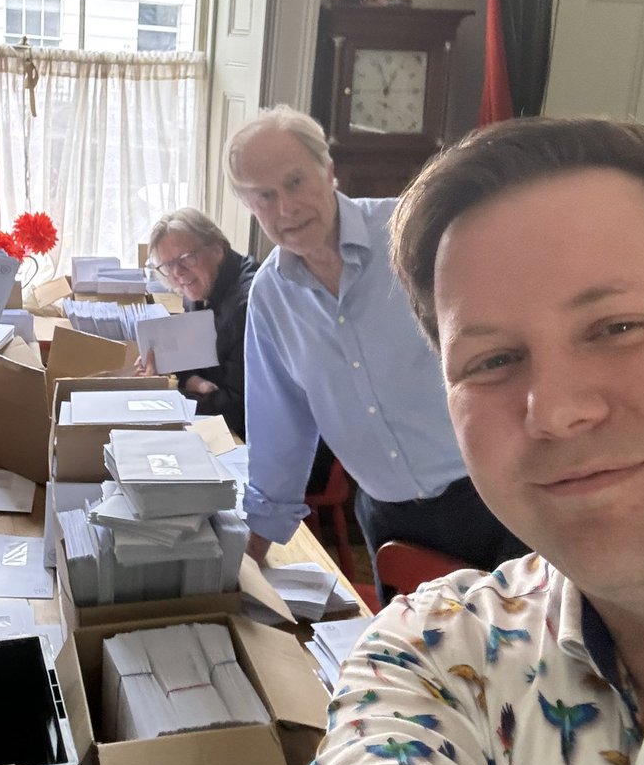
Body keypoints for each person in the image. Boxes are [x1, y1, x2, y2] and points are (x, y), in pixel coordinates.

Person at [276, 115, 644, 765]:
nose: (558, 412)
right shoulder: (436, 654)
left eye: (619, 327)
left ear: (329, 169)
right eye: (491, 361)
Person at [224, 105, 525, 598]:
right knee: (417, 670)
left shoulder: (412, 233)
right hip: (390, 521)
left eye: (296, 182)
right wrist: (251, 552)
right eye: (264, 197)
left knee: (525, 659)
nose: (285, 208)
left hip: (494, 497)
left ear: (328, 170)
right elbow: (281, 428)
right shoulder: (271, 298)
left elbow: (509, 342)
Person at [141, 208, 256, 440]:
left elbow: (236, 408)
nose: (177, 273)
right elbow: (197, 360)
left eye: (185, 258)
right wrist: (166, 366)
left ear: (217, 248)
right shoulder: (198, 287)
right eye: (168, 265)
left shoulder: (249, 305)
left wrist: (165, 392)